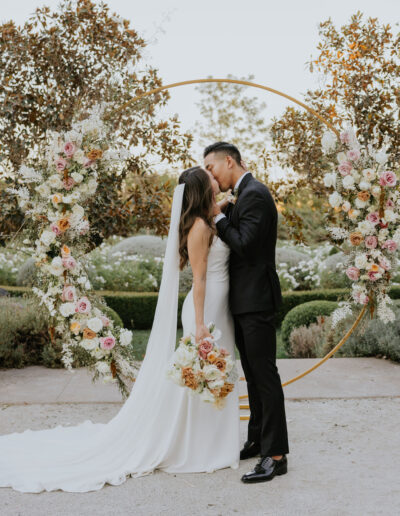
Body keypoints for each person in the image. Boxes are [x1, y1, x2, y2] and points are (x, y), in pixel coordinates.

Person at [0, 167, 240, 493]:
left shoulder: (208, 217)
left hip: (218, 307)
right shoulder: (198, 227)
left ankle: (209, 442)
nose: (214, 177)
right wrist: (199, 325)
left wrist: (223, 205)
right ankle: (196, 446)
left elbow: (216, 214)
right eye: (208, 176)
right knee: (198, 375)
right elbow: (199, 279)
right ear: (201, 188)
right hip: (205, 308)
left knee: (209, 373)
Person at [204, 141, 289, 484]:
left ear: (229, 161)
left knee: (265, 377)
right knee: (253, 375)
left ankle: (276, 455)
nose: (210, 175)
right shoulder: (244, 194)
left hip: (256, 301)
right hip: (245, 301)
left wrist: (218, 217)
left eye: (211, 168)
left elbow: (246, 244)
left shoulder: (255, 193)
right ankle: (257, 440)